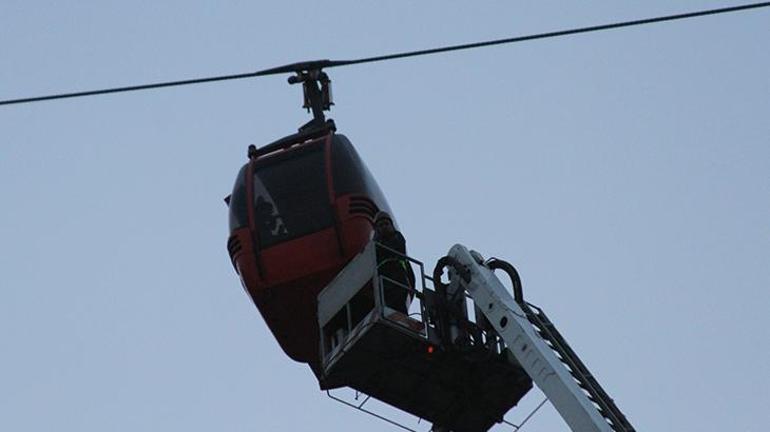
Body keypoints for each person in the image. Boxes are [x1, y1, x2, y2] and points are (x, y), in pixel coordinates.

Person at [373, 211, 415, 314]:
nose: (384, 227)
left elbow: (391, 248)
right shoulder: (375, 245)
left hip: (398, 278)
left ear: (392, 225)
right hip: (385, 281)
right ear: (377, 229)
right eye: (381, 225)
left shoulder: (398, 238)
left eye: (386, 224)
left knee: (399, 305)